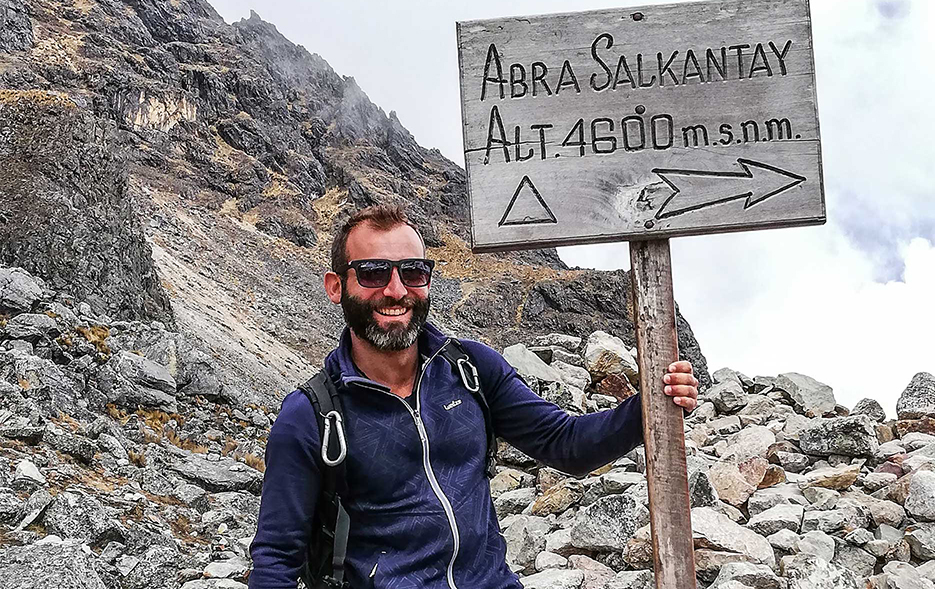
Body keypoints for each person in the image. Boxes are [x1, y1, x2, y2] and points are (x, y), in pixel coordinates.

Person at [249, 204, 699, 589]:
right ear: (335, 287)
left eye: (413, 271)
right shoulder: (310, 416)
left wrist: (651, 406)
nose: (396, 289)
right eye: (372, 272)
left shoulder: (471, 370)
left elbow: (568, 445)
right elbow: (275, 561)